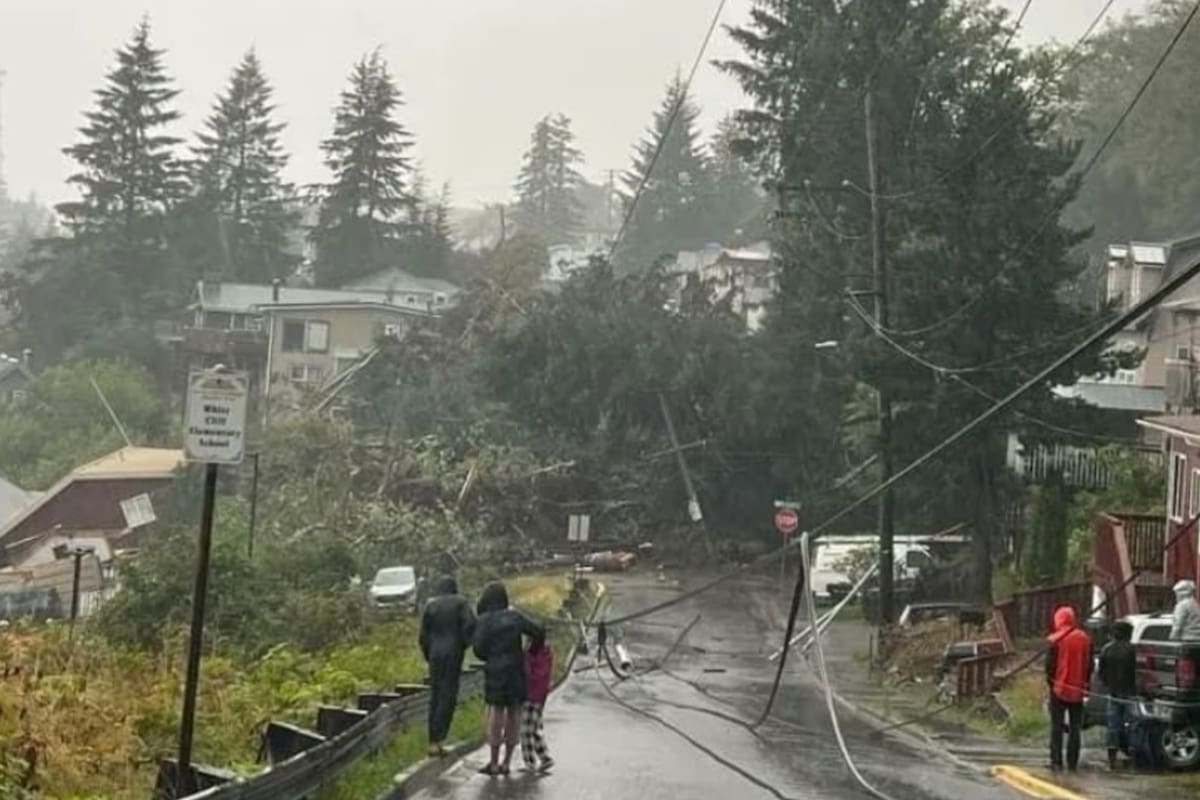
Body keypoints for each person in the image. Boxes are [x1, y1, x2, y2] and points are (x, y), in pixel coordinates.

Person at [473, 581, 544, 777]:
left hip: (495, 670)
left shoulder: (484, 620)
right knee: (514, 712)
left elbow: (477, 648)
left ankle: (493, 762)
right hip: (515, 669)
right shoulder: (515, 617)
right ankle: (507, 762)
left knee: (496, 712)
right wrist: (530, 651)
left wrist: (490, 657)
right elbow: (538, 632)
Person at [419, 575, 475, 758]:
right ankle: (440, 739)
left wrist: (429, 654)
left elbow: (423, 637)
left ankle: (432, 742)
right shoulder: (461, 603)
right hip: (453, 654)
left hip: (435, 654)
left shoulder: (430, 605)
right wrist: (463, 644)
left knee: (435, 695)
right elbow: (470, 625)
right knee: (448, 696)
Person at [1045, 605, 1093, 772]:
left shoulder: (1055, 640)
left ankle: (1056, 761)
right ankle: (1072, 762)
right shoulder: (1085, 638)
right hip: (1078, 689)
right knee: (1075, 728)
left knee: (1056, 726)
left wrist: (1051, 684)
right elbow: (1090, 664)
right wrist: (1086, 684)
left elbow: (1049, 666)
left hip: (1059, 688)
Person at [1098, 620, 1136, 770]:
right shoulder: (1132, 650)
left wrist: (1108, 684)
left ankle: (1111, 758)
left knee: (1113, 726)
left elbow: (1101, 672)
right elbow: (1136, 672)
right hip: (1130, 692)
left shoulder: (1107, 650)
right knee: (1132, 725)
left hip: (1113, 692)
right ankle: (1132, 754)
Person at [521, 630, 554, 773]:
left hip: (532, 695)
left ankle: (530, 762)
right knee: (535, 728)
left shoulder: (534, 654)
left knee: (526, 730)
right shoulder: (546, 652)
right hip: (541, 695)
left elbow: (530, 673)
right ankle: (545, 758)